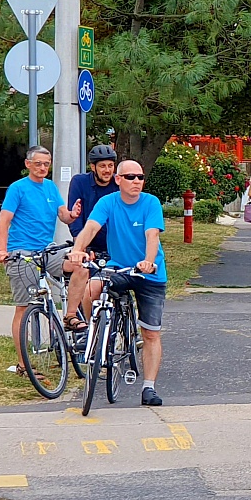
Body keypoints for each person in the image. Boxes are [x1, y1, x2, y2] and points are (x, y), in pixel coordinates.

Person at [68, 160, 169, 407]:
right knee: (91, 288)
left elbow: (152, 234)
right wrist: (78, 250)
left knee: (151, 333)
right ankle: (96, 333)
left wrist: (147, 261)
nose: (136, 181)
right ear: (118, 180)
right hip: (118, 267)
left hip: (148, 272)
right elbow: (91, 227)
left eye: (140, 177)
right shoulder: (108, 202)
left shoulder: (150, 203)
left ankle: (148, 388)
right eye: (131, 177)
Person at [0, 146, 90, 374]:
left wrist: (72, 215)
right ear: (28, 164)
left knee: (80, 267)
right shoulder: (18, 188)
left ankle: (70, 316)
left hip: (47, 250)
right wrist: (2, 250)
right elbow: (4, 221)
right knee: (23, 307)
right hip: (22, 252)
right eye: (38, 164)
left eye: (46, 164)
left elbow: (62, 215)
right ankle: (23, 364)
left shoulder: (50, 187)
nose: (43, 168)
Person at [68, 144, 120, 317]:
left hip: (114, 245)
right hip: (89, 245)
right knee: (88, 287)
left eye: (111, 166)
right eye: (103, 166)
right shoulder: (80, 182)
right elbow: (76, 219)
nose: (107, 170)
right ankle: (85, 329)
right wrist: (82, 247)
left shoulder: (119, 183)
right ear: (93, 167)